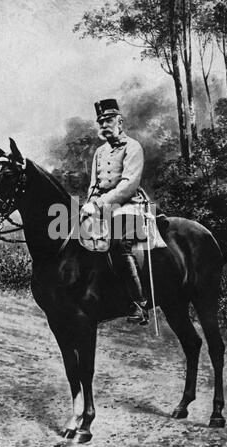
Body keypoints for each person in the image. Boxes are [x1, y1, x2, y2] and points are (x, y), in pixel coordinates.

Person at [81, 99, 148, 324]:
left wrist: (100, 204)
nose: (104, 125)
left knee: (119, 242)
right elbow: (94, 185)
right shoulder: (99, 152)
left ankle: (139, 303)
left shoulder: (133, 147)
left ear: (120, 121)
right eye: (101, 122)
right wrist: (87, 205)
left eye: (109, 120)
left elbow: (128, 184)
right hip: (101, 204)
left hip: (128, 204)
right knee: (75, 236)